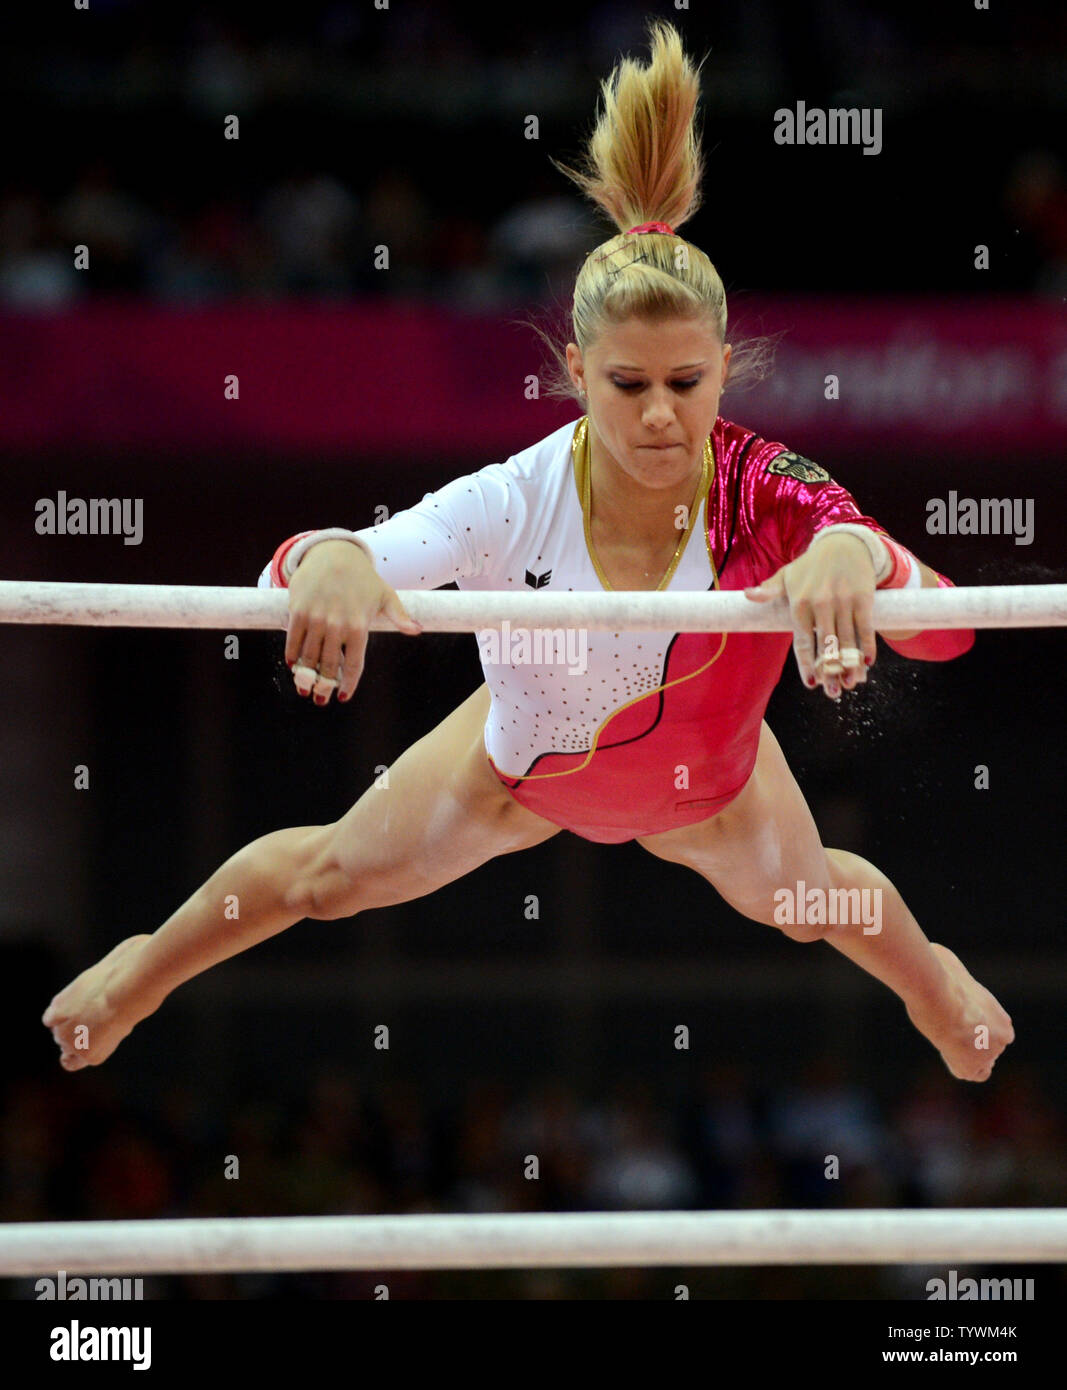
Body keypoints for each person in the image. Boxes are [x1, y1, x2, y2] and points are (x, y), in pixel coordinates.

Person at [43, 22, 1012, 1085]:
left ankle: (939, 984)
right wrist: (326, 560)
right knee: (327, 875)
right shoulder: (515, 497)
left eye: (684, 384)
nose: (656, 417)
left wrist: (860, 558)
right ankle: (138, 974)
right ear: (573, 369)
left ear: (724, 370)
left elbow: (953, 629)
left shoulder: (765, 489)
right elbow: (344, 555)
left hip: (714, 792)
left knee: (809, 901)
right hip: (518, 774)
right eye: (625, 385)